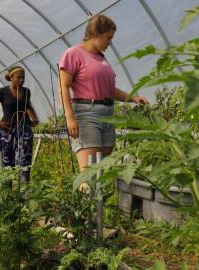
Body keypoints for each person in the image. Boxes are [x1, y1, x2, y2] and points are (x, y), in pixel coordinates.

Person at [58, 14, 148, 190]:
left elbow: (108, 90)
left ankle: (96, 214)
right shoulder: (73, 54)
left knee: (102, 173)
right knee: (89, 172)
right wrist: (70, 118)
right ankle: (89, 216)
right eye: (108, 37)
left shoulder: (101, 58)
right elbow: (63, 87)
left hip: (108, 115)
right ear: (95, 33)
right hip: (86, 114)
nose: (110, 42)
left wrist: (132, 98)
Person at [0, 66, 39, 183]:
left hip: (24, 131)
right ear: (11, 77)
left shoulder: (26, 92)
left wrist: (34, 119)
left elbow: (28, 107)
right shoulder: (2, 92)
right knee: (7, 165)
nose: (21, 80)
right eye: (18, 77)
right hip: (7, 131)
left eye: (23, 78)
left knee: (25, 163)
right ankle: (7, 195)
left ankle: (24, 194)